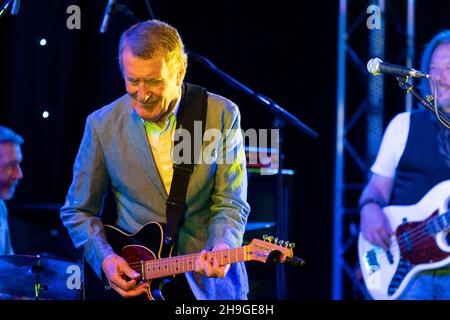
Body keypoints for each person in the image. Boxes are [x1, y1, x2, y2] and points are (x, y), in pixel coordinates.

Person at [60, 20, 250, 300]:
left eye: (153, 81)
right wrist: (105, 259)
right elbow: (77, 210)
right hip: (140, 285)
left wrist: (223, 245)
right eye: (132, 80)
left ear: (180, 71)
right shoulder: (102, 125)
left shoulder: (220, 114)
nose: (142, 93)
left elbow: (230, 200)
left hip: (210, 287)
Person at [359, 30, 450, 299]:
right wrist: (370, 209)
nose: (439, 79)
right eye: (433, 69)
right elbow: (375, 189)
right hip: (407, 269)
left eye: (448, 69)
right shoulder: (403, 124)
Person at [0, 126, 24, 255]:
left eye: (18, 164)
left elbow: (7, 268)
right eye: (11, 165)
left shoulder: (1, 207)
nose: (19, 174)